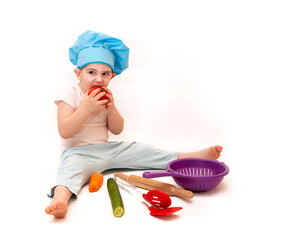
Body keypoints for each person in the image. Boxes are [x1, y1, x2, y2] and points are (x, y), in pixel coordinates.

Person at [45, 30, 223, 218]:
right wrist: (85, 109)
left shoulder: (105, 96)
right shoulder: (69, 94)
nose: (99, 79)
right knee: (69, 171)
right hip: (77, 154)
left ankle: (191, 156)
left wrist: (112, 109)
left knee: (140, 149)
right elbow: (64, 130)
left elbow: (116, 130)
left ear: (111, 77)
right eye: (91, 72)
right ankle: (60, 200)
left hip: (106, 150)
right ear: (78, 73)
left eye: (105, 74)